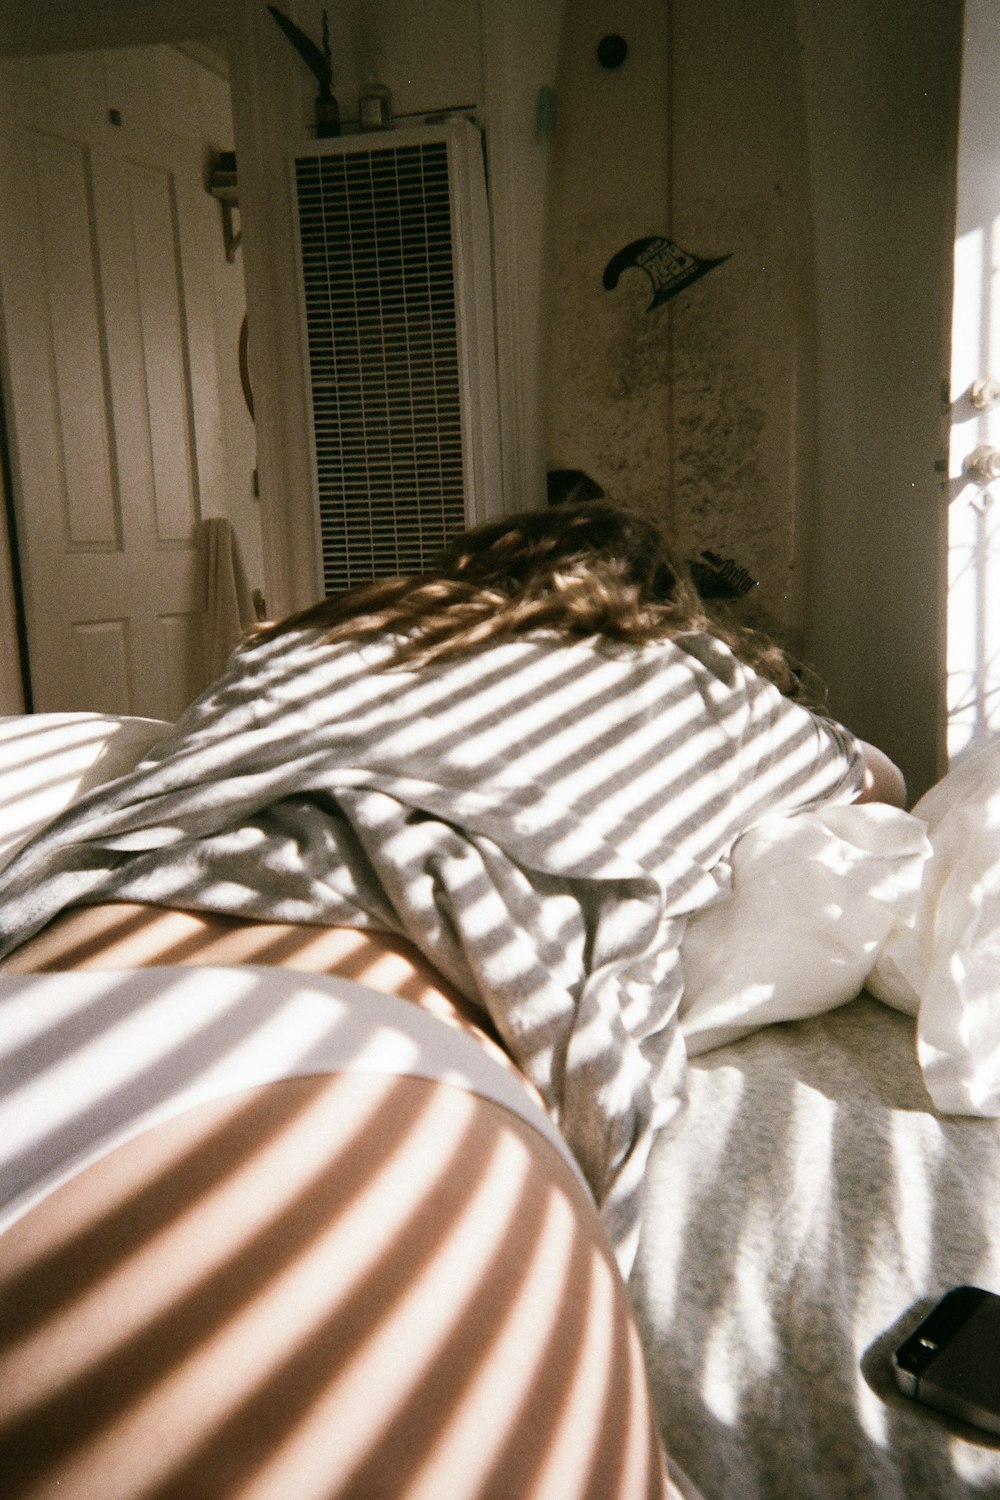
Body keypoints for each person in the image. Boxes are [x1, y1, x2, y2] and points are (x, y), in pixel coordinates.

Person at [0, 500, 902, 1500]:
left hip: (49, 990)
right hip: (323, 1079)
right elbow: (882, 783)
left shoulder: (323, 638)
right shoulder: (703, 685)